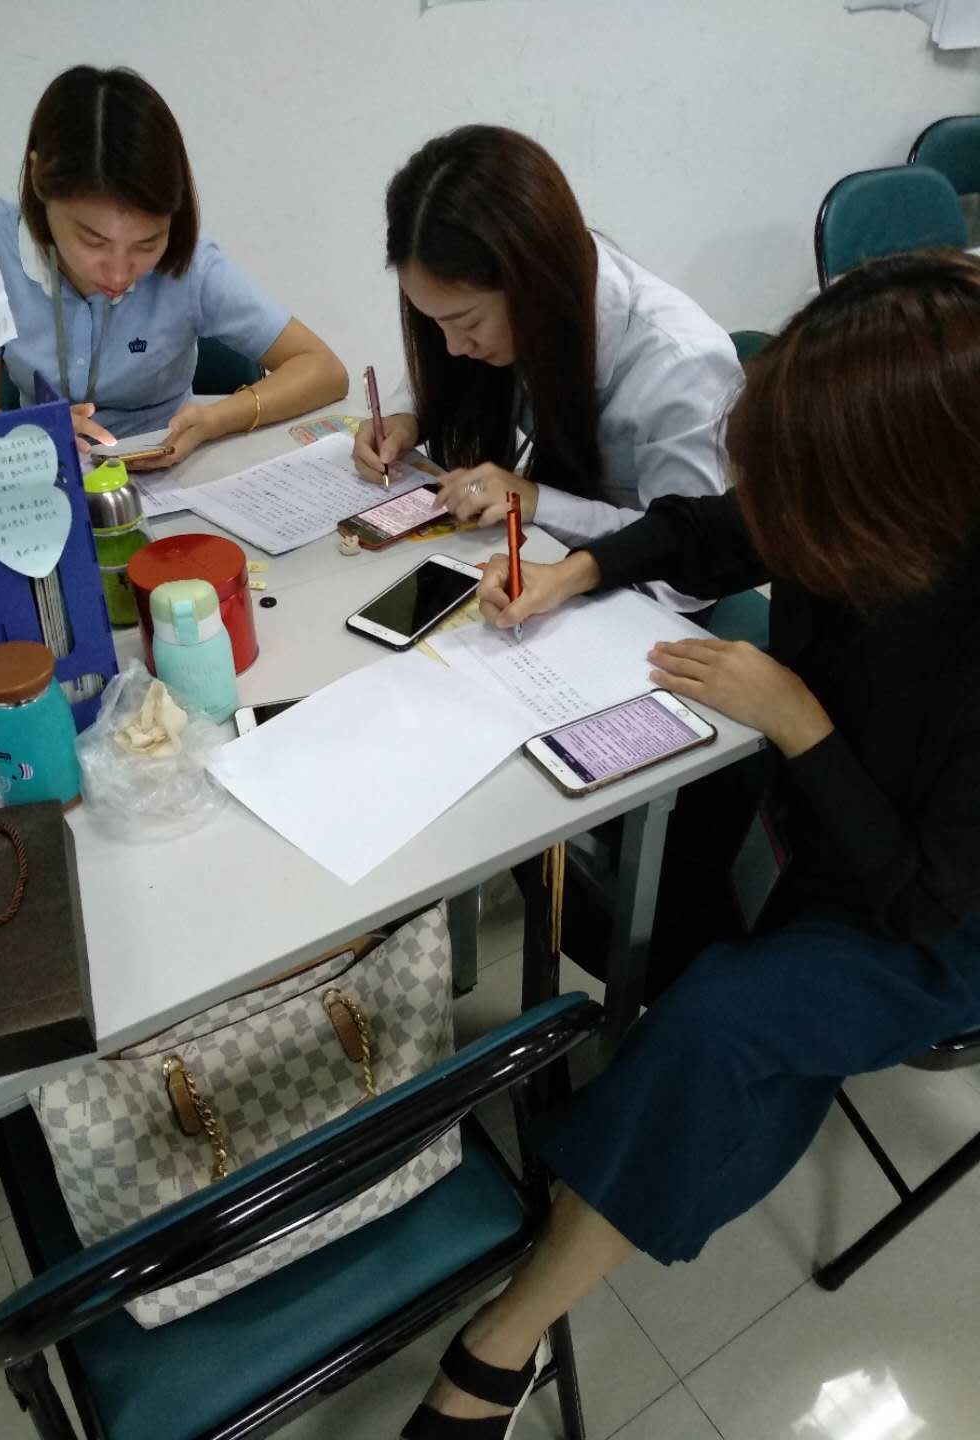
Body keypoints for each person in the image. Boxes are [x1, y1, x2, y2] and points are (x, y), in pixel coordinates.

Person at [400, 251, 980, 1437]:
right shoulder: (873, 500)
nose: (786, 523)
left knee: (722, 1025)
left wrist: (799, 720)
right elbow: (719, 532)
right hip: (824, 814)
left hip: (938, 919)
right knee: (687, 946)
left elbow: (922, 899)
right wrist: (575, 571)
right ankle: (652, 1127)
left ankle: (499, 1341)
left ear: (905, 490)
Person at [353, 124, 741, 613]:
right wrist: (407, 415)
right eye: (433, 323)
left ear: (532, 285)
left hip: (644, 607)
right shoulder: (519, 320)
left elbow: (684, 562)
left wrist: (536, 500)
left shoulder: (681, 364)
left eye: (467, 322)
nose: (451, 347)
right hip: (554, 565)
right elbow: (447, 370)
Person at [0, 66, 347, 465]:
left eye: (147, 244)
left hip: (172, 473)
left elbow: (324, 369)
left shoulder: (192, 265)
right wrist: (33, 434)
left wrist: (214, 420)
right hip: (37, 478)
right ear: (41, 178)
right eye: (93, 241)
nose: (119, 274)